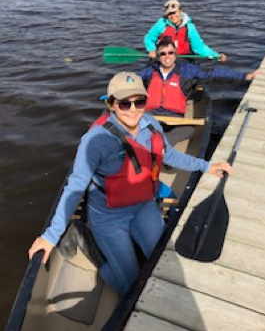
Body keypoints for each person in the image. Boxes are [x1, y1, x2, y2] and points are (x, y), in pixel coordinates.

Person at [29, 72, 232, 297]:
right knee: (130, 286)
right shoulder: (96, 141)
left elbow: (169, 155)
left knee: (163, 262)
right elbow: (75, 186)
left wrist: (206, 166)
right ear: (111, 104)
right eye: (124, 103)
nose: (133, 109)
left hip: (144, 207)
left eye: (140, 101)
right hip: (108, 218)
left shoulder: (152, 124)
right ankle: (85, 238)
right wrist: (50, 236)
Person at [138, 37, 260, 146]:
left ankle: (160, 145)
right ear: (158, 56)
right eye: (163, 54)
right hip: (151, 116)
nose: (167, 57)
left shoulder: (187, 71)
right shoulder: (150, 71)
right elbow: (131, 81)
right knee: (135, 124)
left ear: (175, 54)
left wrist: (244, 76)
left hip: (175, 118)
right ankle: (161, 147)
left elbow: (214, 73)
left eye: (170, 53)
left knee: (190, 129)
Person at [144, 0, 227, 62]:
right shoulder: (161, 24)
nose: (172, 16)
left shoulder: (190, 27)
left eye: (174, 12)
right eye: (169, 14)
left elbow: (199, 47)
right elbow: (148, 38)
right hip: (164, 59)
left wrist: (216, 56)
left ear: (180, 11)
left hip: (183, 60)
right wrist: (152, 50)